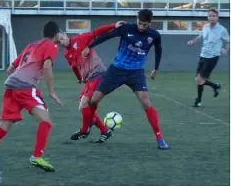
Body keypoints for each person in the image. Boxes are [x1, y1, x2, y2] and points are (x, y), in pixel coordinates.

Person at [0, 21, 63, 172]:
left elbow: (10, 69)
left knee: (4, 126)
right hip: (25, 88)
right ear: (56, 34)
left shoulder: (31, 45)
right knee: (45, 120)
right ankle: (37, 156)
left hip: (11, 86)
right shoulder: (52, 46)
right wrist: (51, 91)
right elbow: (46, 67)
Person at [81, 9, 170, 149]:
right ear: (137, 19)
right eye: (140, 23)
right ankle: (88, 124)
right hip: (117, 70)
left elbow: (159, 49)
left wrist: (156, 68)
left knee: (146, 102)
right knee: (94, 100)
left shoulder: (154, 35)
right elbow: (107, 36)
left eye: (145, 25)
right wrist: (90, 46)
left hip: (136, 73)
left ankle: (160, 139)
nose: (141, 27)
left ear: (149, 23)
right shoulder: (126, 28)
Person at [57, 21, 125, 143]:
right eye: (58, 42)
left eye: (62, 38)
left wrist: (113, 25)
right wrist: (78, 78)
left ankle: (84, 130)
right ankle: (105, 131)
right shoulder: (67, 53)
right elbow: (73, 67)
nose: (62, 42)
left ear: (65, 34)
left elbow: (97, 32)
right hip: (88, 79)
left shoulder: (80, 38)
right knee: (83, 108)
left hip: (98, 74)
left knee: (84, 104)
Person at [187, 8, 230, 107]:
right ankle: (214, 88)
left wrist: (226, 50)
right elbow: (200, 36)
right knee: (199, 80)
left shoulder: (222, 30)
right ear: (208, 17)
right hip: (203, 55)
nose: (211, 18)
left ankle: (200, 99)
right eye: (210, 16)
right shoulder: (205, 27)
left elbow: (229, 41)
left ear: (217, 17)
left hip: (213, 57)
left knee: (199, 79)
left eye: (214, 16)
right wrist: (193, 42)